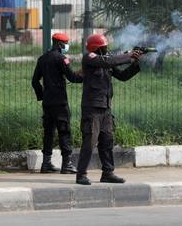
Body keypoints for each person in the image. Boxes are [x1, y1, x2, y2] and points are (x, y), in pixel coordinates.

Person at [76, 34, 142, 185]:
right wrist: (128, 55)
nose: (107, 48)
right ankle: (81, 174)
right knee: (89, 142)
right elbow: (108, 61)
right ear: (97, 48)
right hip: (92, 108)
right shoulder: (90, 58)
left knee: (107, 141)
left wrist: (134, 63)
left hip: (105, 108)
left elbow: (123, 76)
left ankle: (108, 172)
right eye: (104, 46)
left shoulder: (107, 61)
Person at [31, 33, 83, 174]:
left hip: (47, 103)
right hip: (60, 102)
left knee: (48, 132)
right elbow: (72, 78)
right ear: (60, 44)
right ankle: (67, 164)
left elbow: (35, 81)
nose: (66, 46)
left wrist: (42, 96)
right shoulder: (61, 58)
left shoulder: (42, 59)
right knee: (64, 131)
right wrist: (85, 76)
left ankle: (46, 164)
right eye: (65, 43)